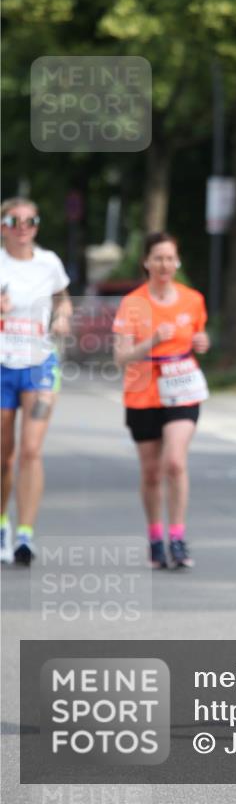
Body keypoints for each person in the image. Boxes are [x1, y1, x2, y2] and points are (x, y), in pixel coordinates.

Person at [113, 232, 209, 570]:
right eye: (159, 258)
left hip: (182, 386)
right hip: (142, 391)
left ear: (177, 262)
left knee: (174, 463)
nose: (165, 264)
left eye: (171, 258)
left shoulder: (192, 299)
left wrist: (202, 342)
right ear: (146, 262)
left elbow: (198, 336)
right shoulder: (132, 303)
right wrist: (151, 342)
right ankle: (156, 537)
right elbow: (120, 357)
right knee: (152, 472)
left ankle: (178, 537)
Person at [1, 197, 72, 565]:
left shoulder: (49, 263)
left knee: (30, 449)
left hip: (39, 363)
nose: (23, 226)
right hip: (1, 365)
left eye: (31, 219)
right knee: (4, 453)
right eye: (15, 219)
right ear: (3, 227)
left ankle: (25, 534)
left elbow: (63, 299)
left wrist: (61, 316)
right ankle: (2, 523)